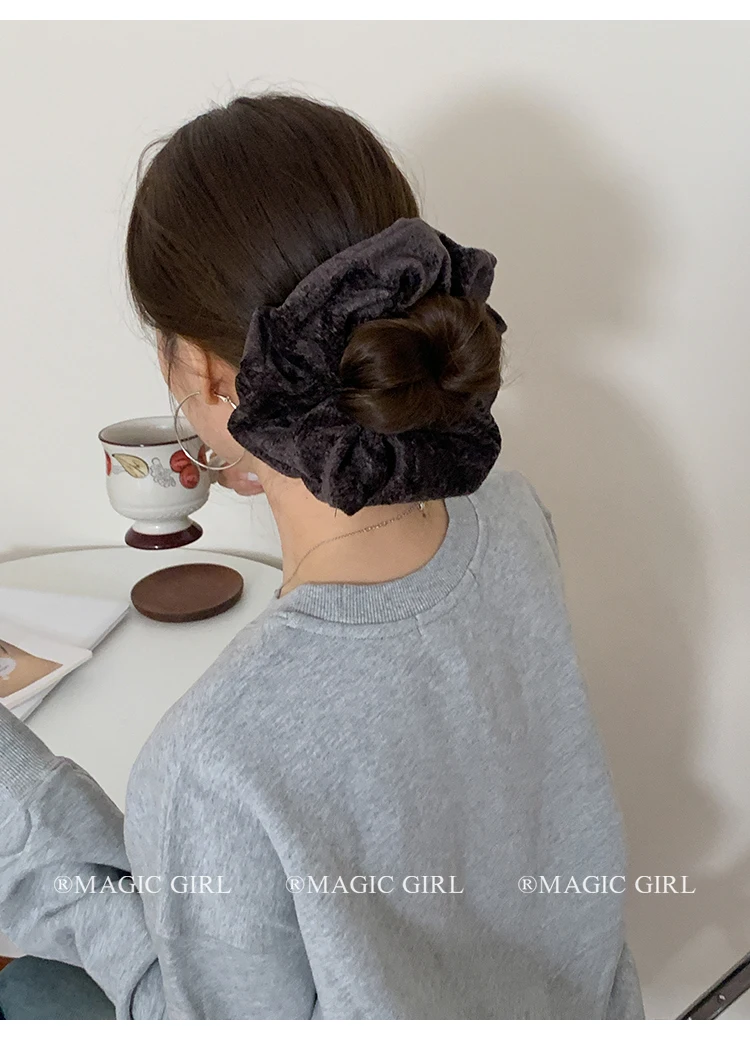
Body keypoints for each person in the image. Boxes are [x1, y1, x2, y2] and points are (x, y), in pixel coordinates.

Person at [0, 91, 644, 1020]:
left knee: (28, 985)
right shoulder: (508, 515)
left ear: (203, 371)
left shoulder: (215, 761)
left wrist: (28, 813)